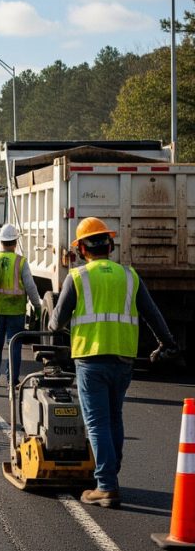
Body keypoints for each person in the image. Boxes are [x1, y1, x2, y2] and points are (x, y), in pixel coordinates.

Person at [48, 217, 179, 508]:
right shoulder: (130, 276)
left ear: (82, 249)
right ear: (110, 244)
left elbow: (56, 324)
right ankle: (110, 475)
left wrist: (50, 307)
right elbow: (153, 315)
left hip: (91, 359)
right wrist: (167, 344)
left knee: (96, 423)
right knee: (114, 417)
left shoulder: (78, 277)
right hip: (123, 358)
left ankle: (106, 486)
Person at [0, 223, 41, 387]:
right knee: (14, 345)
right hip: (16, 311)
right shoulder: (20, 261)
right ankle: (12, 380)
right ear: (14, 242)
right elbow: (30, 286)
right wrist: (37, 306)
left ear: (0, 241)